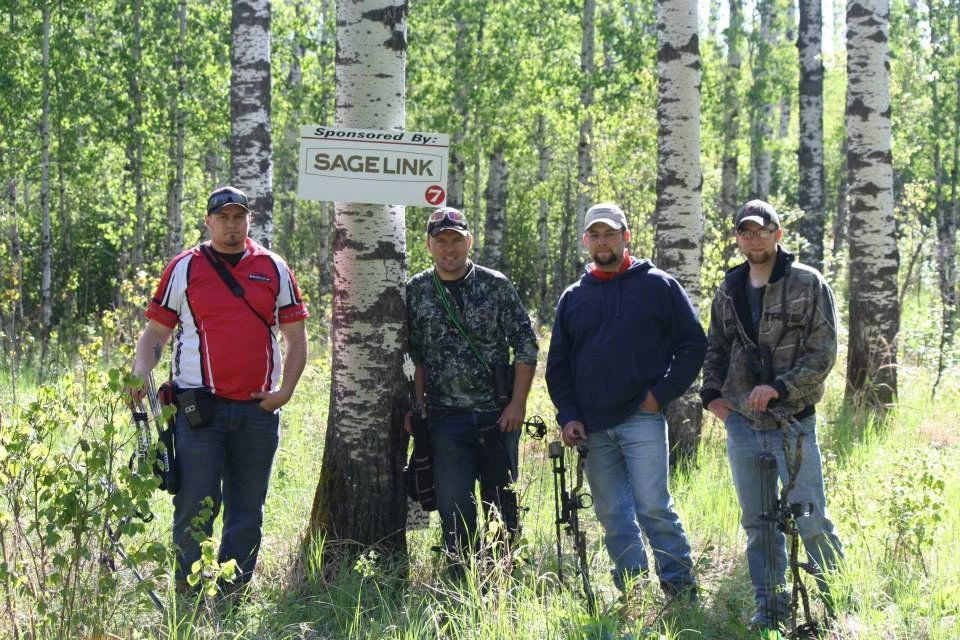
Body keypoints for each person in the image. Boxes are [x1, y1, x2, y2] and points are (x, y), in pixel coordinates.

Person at [128, 185, 309, 594]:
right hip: (198, 411)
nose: (231, 225)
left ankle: (233, 594)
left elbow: (297, 339)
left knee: (247, 511)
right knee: (194, 505)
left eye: (238, 217)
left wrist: (285, 393)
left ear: (249, 220)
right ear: (208, 221)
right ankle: (187, 595)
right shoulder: (185, 268)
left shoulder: (274, 268)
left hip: (257, 412)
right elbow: (156, 332)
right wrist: (141, 371)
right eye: (222, 217)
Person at [545, 202, 706, 599]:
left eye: (610, 234)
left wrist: (661, 395)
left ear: (626, 236)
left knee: (653, 506)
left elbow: (693, 343)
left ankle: (680, 587)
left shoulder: (657, 285)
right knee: (613, 514)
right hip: (592, 427)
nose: (603, 242)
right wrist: (568, 416)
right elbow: (558, 366)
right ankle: (632, 587)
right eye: (595, 235)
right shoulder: (573, 297)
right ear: (586, 240)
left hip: (642, 418)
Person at [700, 199, 843, 630]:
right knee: (759, 524)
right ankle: (772, 611)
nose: (754, 239)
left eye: (762, 230)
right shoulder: (729, 289)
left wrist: (780, 388)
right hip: (743, 425)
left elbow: (824, 352)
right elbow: (716, 348)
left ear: (777, 234)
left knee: (810, 517)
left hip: (793, 420)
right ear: (738, 238)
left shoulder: (807, 283)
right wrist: (710, 395)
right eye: (745, 232)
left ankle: (836, 605)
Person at [405, 206, 538, 569]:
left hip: (498, 416)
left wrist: (518, 404)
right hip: (445, 418)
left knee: (502, 500)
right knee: (453, 502)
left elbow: (526, 344)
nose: (450, 249)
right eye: (441, 241)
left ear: (470, 242)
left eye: (456, 241)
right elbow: (411, 355)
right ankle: (460, 572)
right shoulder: (416, 290)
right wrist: (416, 407)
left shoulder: (495, 285)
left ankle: (502, 571)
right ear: (429, 246)